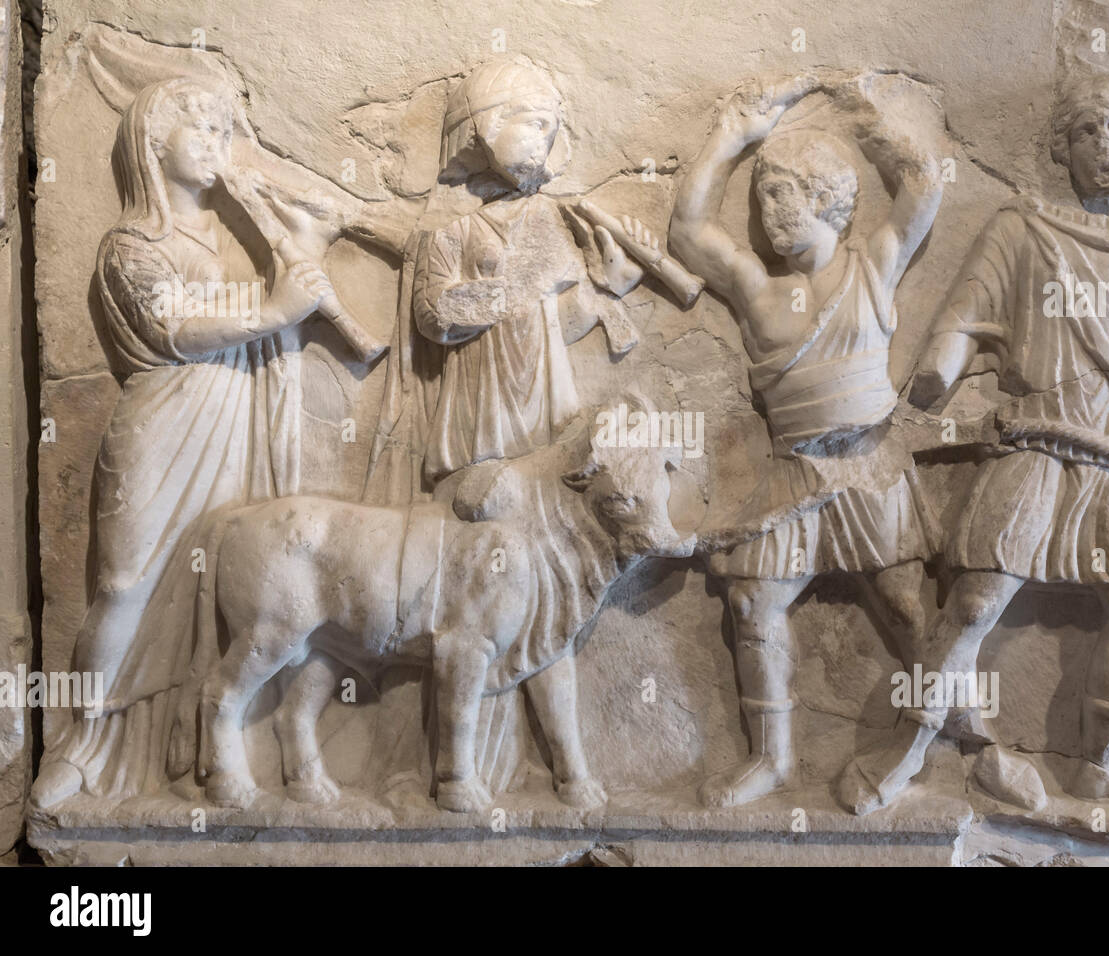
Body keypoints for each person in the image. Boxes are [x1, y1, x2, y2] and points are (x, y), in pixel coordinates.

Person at [847, 67, 1109, 814]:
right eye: (1085, 131)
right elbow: (965, 316)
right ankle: (903, 746)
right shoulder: (1020, 227)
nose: (1104, 144)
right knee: (971, 603)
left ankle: (1103, 763)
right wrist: (938, 372)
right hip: (1036, 440)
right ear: (1061, 153)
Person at [30, 77, 337, 807]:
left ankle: (200, 747)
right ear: (151, 143)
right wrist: (275, 310)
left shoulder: (237, 233)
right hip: (164, 422)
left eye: (223, 133)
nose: (215, 147)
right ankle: (85, 742)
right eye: (198, 131)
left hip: (232, 420)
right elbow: (176, 329)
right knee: (122, 583)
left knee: (229, 587)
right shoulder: (132, 243)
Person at [362, 57, 657, 806]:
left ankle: (558, 769)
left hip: (547, 434)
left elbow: (551, 324)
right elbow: (439, 318)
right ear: (484, 124)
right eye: (533, 120)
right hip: (481, 439)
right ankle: (462, 768)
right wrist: (532, 277)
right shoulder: (449, 232)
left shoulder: (548, 225)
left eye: (553, 126)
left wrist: (606, 290)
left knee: (547, 605)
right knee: (485, 598)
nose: (546, 138)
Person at [670, 73, 943, 808]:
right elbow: (689, 233)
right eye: (761, 196)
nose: (766, 214)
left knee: (907, 606)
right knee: (755, 605)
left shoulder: (875, 265)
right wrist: (730, 134)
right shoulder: (758, 290)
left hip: (865, 467)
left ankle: (933, 733)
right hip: (793, 475)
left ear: (827, 198)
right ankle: (772, 757)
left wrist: (866, 106)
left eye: (781, 194)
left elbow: (923, 180)